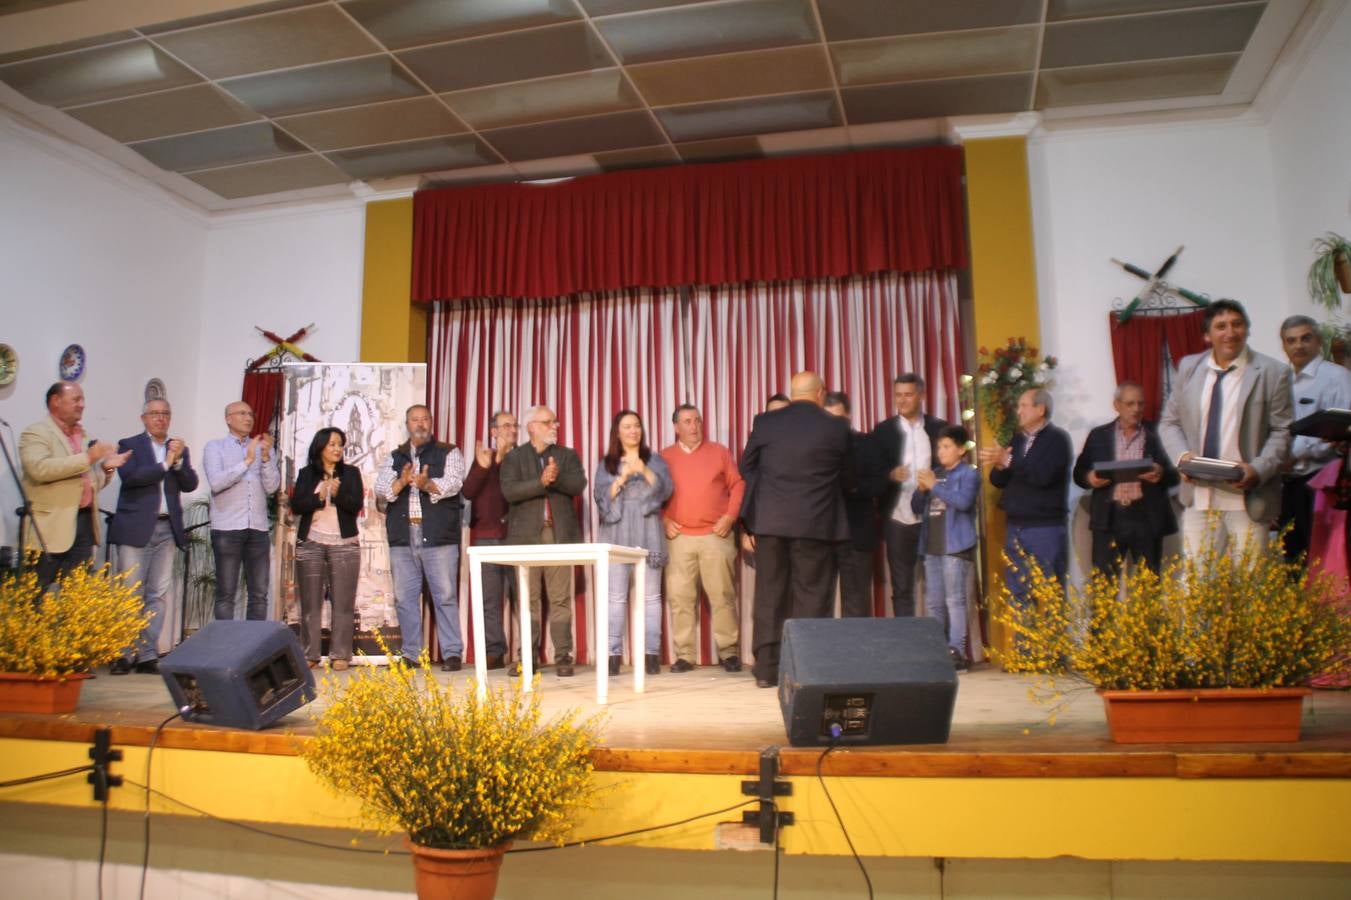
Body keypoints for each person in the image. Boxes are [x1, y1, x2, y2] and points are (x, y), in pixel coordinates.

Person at [740, 371, 852, 687]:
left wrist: (771, 493)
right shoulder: (836, 426)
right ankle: (807, 668)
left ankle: (766, 670)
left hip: (772, 521)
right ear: (821, 393)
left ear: (792, 393)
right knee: (812, 594)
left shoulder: (766, 422)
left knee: (769, 594)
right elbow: (849, 474)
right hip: (816, 521)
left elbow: (746, 466)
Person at [1159, 299, 1292, 558]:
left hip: (1246, 495)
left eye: (1237, 324)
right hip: (1199, 494)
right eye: (1221, 326)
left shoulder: (1273, 372)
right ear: (1207, 335)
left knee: (1251, 586)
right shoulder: (1189, 368)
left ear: (1247, 329)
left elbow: (1282, 431)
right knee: (1198, 587)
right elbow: (1170, 422)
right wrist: (1182, 457)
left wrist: (1259, 469)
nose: (1230, 332)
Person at [107, 398, 198, 675]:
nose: (161, 418)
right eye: (155, 414)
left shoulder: (177, 448)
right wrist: (164, 464)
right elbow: (131, 478)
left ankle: (147, 653)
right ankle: (123, 653)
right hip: (136, 527)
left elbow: (190, 483)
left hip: (166, 528)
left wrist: (178, 461)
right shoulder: (129, 444)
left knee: (156, 594)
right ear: (144, 418)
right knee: (129, 592)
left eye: (165, 414)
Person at [373, 405, 466, 670]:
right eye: (415, 420)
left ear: (431, 422)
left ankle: (451, 653)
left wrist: (428, 485)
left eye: (425, 419)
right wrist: (402, 482)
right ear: (407, 423)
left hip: (438, 535)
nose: (420, 424)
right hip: (403, 535)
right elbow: (381, 489)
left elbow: (455, 482)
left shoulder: (449, 451)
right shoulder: (395, 456)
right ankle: (411, 654)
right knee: (405, 597)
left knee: (445, 595)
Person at [500, 405, 588, 677]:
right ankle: (527, 658)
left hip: (558, 535)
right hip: (525, 537)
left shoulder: (566, 455)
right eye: (547, 422)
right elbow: (509, 491)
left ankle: (563, 657)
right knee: (528, 600)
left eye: (555, 422)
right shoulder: (514, 458)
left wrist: (555, 477)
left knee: (560, 599)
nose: (554, 426)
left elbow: (578, 484)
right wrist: (540, 482)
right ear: (531, 427)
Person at [661, 404, 745, 673]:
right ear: (676, 427)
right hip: (679, 538)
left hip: (715, 536)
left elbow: (738, 485)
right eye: (687, 422)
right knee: (680, 598)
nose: (694, 426)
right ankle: (685, 655)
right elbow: (650, 495)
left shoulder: (719, 452)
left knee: (722, 595)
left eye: (697, 420)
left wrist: (730, 517)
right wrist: (664, 519)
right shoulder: (663, 457)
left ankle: (729, 652)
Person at [20, 382, 129, 587]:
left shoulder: (83, 435)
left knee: (76, 597)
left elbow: (87, 483)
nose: (82, 405)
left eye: (83, 400)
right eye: (76, 399)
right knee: (36, 594)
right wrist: (88, 458)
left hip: (84, 522)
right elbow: (39, 469)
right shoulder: (36, 433)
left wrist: (106, 469)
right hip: (50, 527)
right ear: (55, 401)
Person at [593, 410, 673, 676]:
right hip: (616, 533)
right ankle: (612, 656)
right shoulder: (606, 463)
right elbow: (601, 498)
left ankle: (651, 654)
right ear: (618, 431)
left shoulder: (655, 460)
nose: (633, 431)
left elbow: (666, 490)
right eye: (627, 427)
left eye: (637, 426)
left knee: (651, 597)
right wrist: (623, 477)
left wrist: (645, 471)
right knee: (615, 598)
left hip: (648, 531)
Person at [980, 388, 1073, 611]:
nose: (1018, 411)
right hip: (1015, 527)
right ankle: (1025, 647)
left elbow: (1043, 476)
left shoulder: (1058, 439)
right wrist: (1001, 464)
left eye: (1023, 405)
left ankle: (1054, 646)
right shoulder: (1018, 439)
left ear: (1040, 409)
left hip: (1045, 528)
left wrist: (1009, 460)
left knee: (1051, 594)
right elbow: (998, 481)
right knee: (1018, 594)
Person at [1072, 382, 1179, 575]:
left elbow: (1178, 473)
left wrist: (1162, 472)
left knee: (1149, 585)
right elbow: (1079, 472)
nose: (1136, 409)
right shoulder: (1098, 435)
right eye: (1130, 404)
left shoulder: (1158, 433)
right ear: (1117, 405)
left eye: (1140, 404)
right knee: (1105, 585)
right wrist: (1089, 478)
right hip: (1109, 518)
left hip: (1147, 517)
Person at [870, 373, 948, 617]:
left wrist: (936, 482)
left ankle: (941, 643)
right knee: (902, 585)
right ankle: (906, 643)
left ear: (921, 396)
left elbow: (952, 467)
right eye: (898, 395)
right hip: (897, 516)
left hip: (934, 516)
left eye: (908, 394)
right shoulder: (883, 431)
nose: (902, 400)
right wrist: (890, 476)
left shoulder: (939, 428)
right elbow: (872, 473)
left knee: (939, 583)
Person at [1277, 315, 1351, 563]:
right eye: (1291, 340)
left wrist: (1293, 454)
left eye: (1305, 338)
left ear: (1318, 341)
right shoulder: (1281, 380)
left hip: (1321, 482)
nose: (1298, 346)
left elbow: (1343, 428)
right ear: (1284, 346)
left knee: (1324, 559)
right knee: (1293, 559)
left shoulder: (1336, 376)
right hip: (1289, 484)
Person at [290, 428, 363, 670]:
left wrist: (337, 492)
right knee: (310, 603)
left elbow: (355, 506)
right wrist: (319, 496)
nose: (337, 449)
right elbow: (298, 505)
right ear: (320, 447)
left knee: (343, 602)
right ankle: (310, 654)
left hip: (344, 545)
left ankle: (340, 655)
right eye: (332, 444)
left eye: (340, 445)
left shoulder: (351, 474)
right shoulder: (306, 474)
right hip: (311, 543)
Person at [204, 401, 281, 621]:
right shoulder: (215, 447)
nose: (248, 418)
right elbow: (217, 483)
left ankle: (253, 652)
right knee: (226, 593)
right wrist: (247, 461)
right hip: (227, 527)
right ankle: (226, 650)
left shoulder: (262, 448)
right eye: (242, 413)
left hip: (257, 528)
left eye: (250, 414)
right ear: (228, 419)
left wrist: (265, 459)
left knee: (259, 594)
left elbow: (272, 487)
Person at [913, 425, 980, 670]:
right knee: (934, 603)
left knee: (955, 600)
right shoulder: (935, 473)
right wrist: (921, 492)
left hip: (955, 545)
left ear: (961, 450)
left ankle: (956, 653)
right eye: (939, 447)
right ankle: (936, 650)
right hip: (932, 545)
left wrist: (934, 486)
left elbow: (963, 502)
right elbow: (916, 507)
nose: (940, 452)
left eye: (946, 447)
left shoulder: (968, 474)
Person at [462, 410, 519, 670]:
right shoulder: (483, 458)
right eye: (506, 426)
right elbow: (469, 491)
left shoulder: (522, 458)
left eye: (514, 426)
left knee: (524, 597)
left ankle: (527, 652)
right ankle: (494, 651)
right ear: (493, 432)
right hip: (487, 537)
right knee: (489, 600)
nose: (512, 430)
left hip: (519, 538)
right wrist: (485, 467)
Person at [823, 391, 888, 617]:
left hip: (857, 532)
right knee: (819, 602)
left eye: (839, 419)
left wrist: (854, 488)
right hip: (822, 535)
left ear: (849, 417)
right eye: (828, 419)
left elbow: (881, 483)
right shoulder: (815, 448)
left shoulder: (867, 444)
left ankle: (857, 651)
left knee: (857, 601)